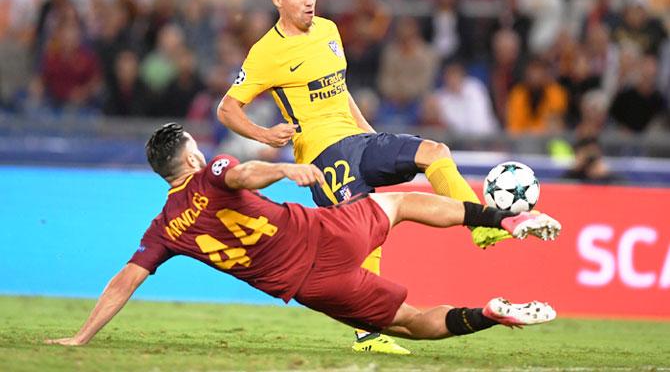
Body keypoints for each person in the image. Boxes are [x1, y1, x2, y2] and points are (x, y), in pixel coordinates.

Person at [217, 0, 511, 354]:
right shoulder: (266, 53)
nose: (309, 0)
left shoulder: (328, 30)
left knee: (435, 151)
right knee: (366, 235)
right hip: (321, 158)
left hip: (359, 140)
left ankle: (481, 223)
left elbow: (340, 89)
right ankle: (368, 334)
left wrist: (370, 135)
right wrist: (265, 134)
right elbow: (228, 109)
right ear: (277, 0)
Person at [45, 123, 561, 350]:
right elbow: (242, 173)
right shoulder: (212, 171)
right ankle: (502, 220)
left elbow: (124, 280)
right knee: (401, 201)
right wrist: (285, 171)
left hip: (308, 286)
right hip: (325, 233)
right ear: (194, 156)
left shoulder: (163, 230)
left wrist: (81, 336)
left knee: (405, 324)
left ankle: (489, 315)